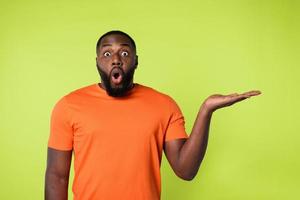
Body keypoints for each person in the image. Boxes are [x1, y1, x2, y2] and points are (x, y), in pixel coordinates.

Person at [44, 30, 261, 200]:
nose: (116, 59)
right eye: (107, 53)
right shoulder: (69, 106)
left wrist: (206, 109)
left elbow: (186, 170)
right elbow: (57, 176)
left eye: (125, 53)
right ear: (98, 61)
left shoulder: (164, 105)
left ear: (136, 61)